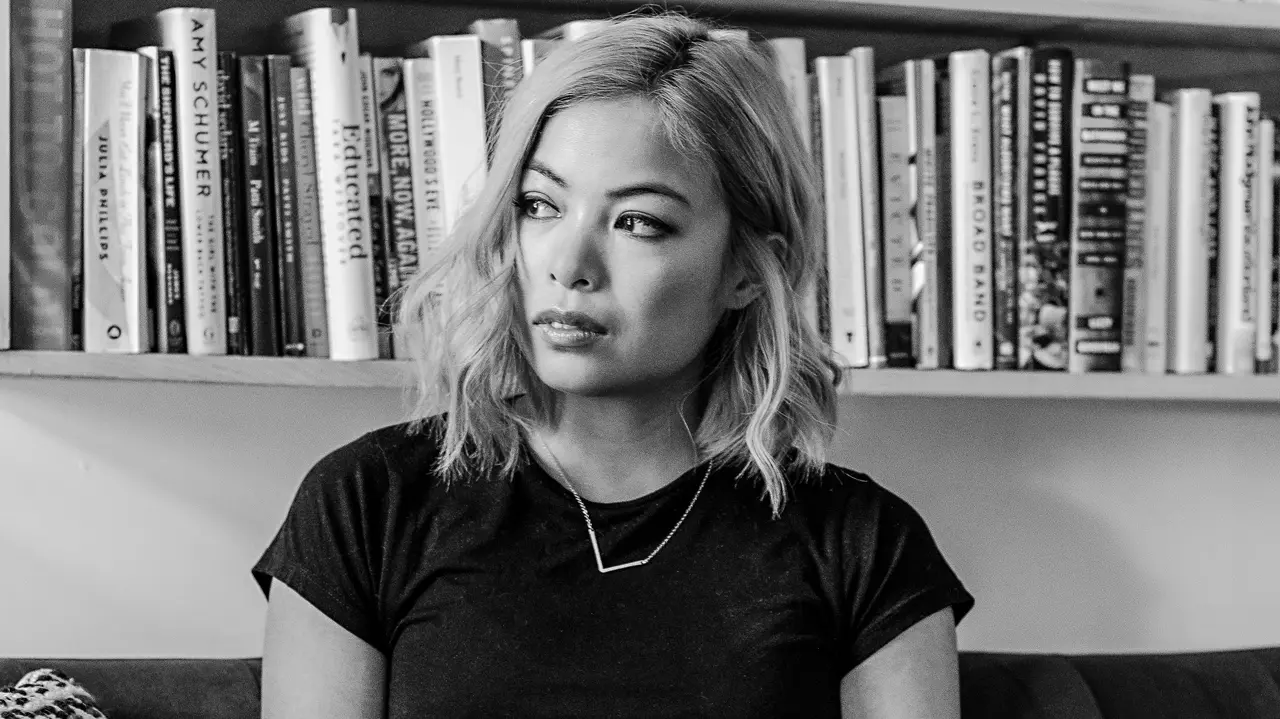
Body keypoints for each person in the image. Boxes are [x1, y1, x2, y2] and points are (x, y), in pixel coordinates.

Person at [252, 11, 974, 718]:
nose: (569, 263)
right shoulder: (367, 504)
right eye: (540, 204)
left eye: (638, 221)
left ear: (748, 270)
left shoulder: (864, 545)